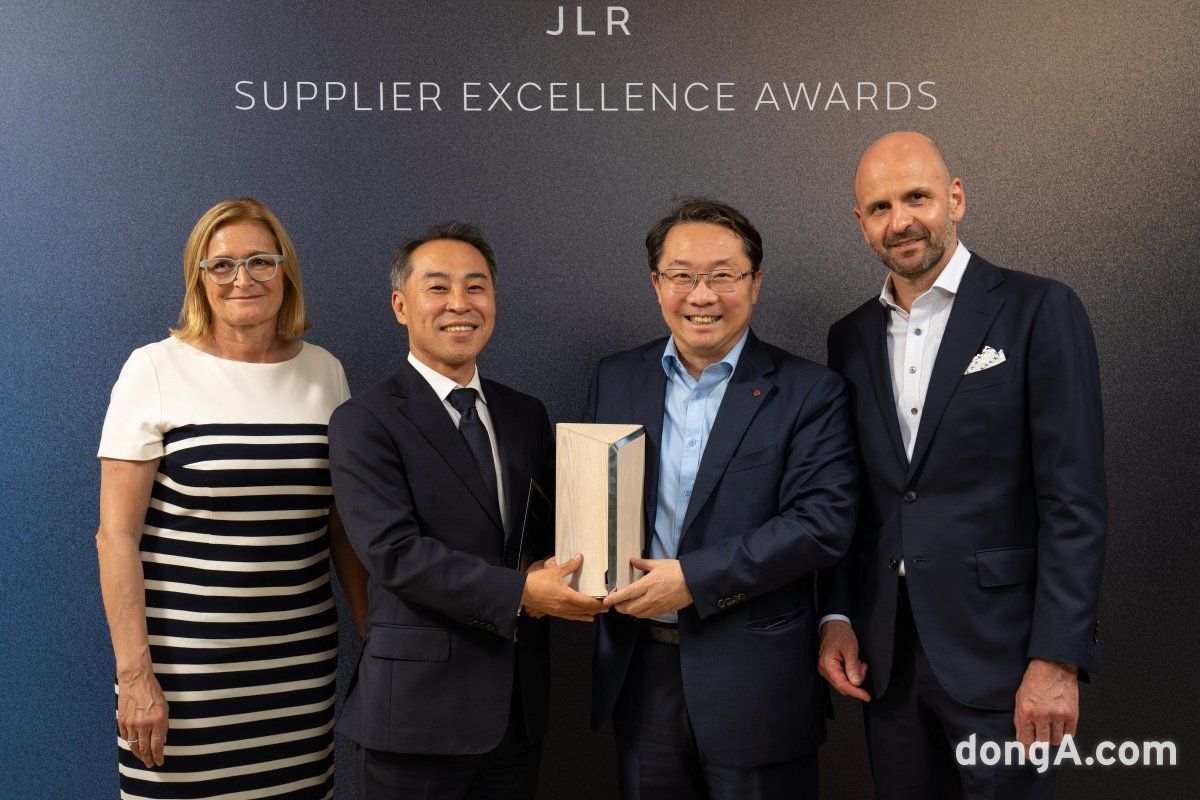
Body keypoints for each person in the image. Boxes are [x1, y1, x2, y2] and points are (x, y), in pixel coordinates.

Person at [818, 131, 1107, 798]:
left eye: (916, 197)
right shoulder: (849, 337)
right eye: (881, 207)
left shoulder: (1040, 310)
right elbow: (853, 496)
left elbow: (1074, 502)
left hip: (1006, 660)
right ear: (861, 222)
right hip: (887, 662)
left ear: (955, 198)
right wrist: (837, 616)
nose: (901, 221)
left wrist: (1057, 660)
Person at [585, 199, 859, 799]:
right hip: (642, 675)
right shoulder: (615, 377)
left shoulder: (810, 391)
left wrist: (694, 579)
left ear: (755, 284)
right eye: (681, 275)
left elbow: (822, 523)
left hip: (757, 680)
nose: (702, 295)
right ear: (656, 284)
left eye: (723, 275)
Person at [96, 197, 369, 798]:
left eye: (260, 261)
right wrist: (135, 676)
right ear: (199, 279)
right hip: (181, 673)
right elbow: (115, 536)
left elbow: (342, 526)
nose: (242, 278)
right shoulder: (153, 370)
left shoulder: (325, 373)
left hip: (297, 670)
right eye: (221, 265)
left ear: (284, 271)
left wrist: (374, 634)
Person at [328, 222, 605, 800]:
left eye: (476, 287)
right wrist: (522, 592)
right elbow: (394, 555)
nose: (460, 303)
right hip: (416, 715)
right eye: (438, 287)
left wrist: (568, 563)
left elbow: (541, 531)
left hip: (516, 712)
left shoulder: (525, 413)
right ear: (401, 306)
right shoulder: (364, 421)